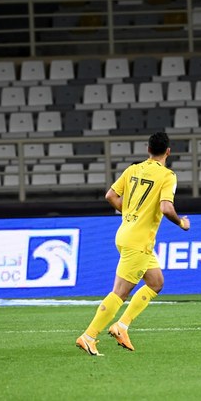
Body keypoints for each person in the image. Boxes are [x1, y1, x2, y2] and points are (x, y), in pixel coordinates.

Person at [76, 131, 190, 356]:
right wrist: (181, 223)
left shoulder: (132, 169)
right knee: (119, 293)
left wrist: (128, 211)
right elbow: (166, 207)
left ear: (148, 150)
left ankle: (122, 326)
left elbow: (110, 195)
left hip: (127, 234)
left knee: (156, 282)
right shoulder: (167, 176)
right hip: (138, 241)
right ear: (168, 151)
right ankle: (89, 336)